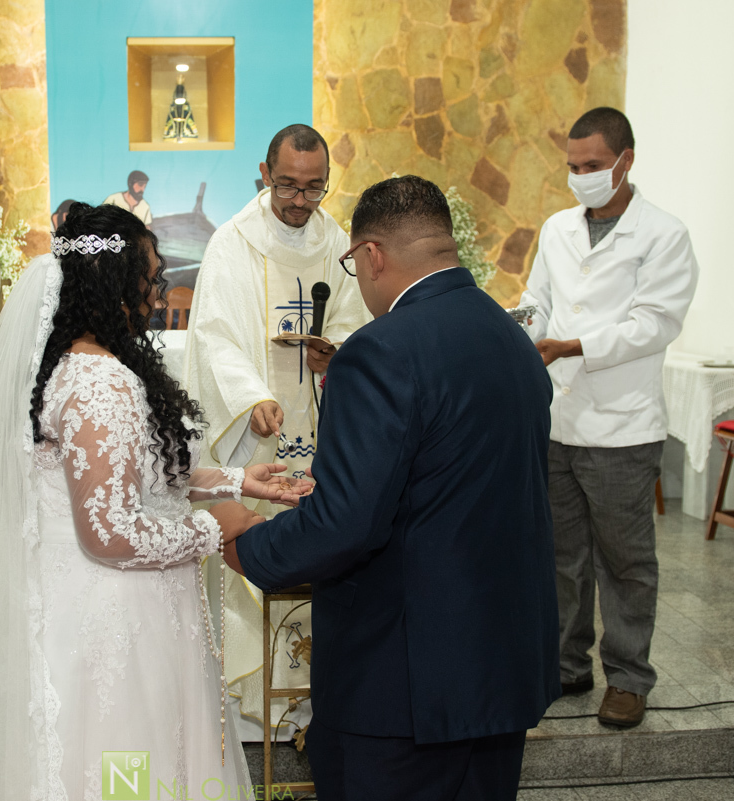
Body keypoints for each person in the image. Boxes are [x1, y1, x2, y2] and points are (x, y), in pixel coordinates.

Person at [0, 203, 312, 798]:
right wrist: (215, 529)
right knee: (124, 765)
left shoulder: (82, 364)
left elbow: (135, 473)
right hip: (112, 615)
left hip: (113, 599)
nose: (158, 293)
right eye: (149, 278)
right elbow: (109, 532)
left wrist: (238, 482)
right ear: (115, 284)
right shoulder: (99, 383)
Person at [227, 175, 560, 801]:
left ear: (371, 254)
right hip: (501, 664)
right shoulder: (512, 339)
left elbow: (347, 524)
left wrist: (246, 545)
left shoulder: (379, 351)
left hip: (403, 681)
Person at [183, 123, 370, 735]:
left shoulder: (336, 241)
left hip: (319, 428)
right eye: (287, 185)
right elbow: (215, 336)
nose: (299, 200)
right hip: (258, 432)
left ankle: (316, 695)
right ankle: (253, 701)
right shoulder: (233, 242)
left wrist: (334, 349)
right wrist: (251, 397)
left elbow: (357, 316)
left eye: (314, 188)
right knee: (257, 545)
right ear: (265, 175)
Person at [518, 107, 699, 728]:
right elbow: (537, 301)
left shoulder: (663, 234)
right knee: (562, 557)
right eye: (573, 166)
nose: (581, 177)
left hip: (622, 426)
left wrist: (573, 346)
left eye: (592, 165)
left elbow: (655, 323)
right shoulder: (557, 229)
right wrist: (519, 330)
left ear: (625, 160)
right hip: (558, 421)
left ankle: (628, 678)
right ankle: (568, 664)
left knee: (624, 562)